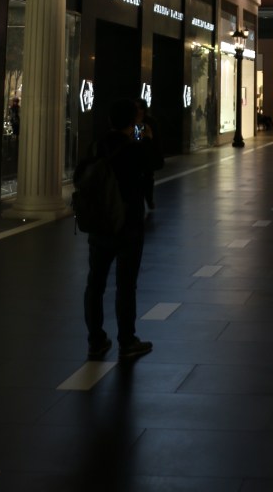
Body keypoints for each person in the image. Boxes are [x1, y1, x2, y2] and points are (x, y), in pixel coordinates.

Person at [83, 97, 154, 361]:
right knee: (126, 286)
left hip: (99, 224)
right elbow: (155, 165)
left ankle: (96, 340)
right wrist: (147, 139)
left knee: (95, 284)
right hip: (128, 225)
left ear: (110, 120)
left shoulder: (96, 146)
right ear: (133, 121)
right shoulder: (135, 149)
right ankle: (127, 340)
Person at [135, 97, 163, 210]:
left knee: (148, 178)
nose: (137, 110)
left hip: (147, 154)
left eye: (138, 108)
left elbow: (155, 139)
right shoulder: (131, 121)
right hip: (136, 154)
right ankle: (142, 200)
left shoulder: (150, 122)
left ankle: (149, 199)